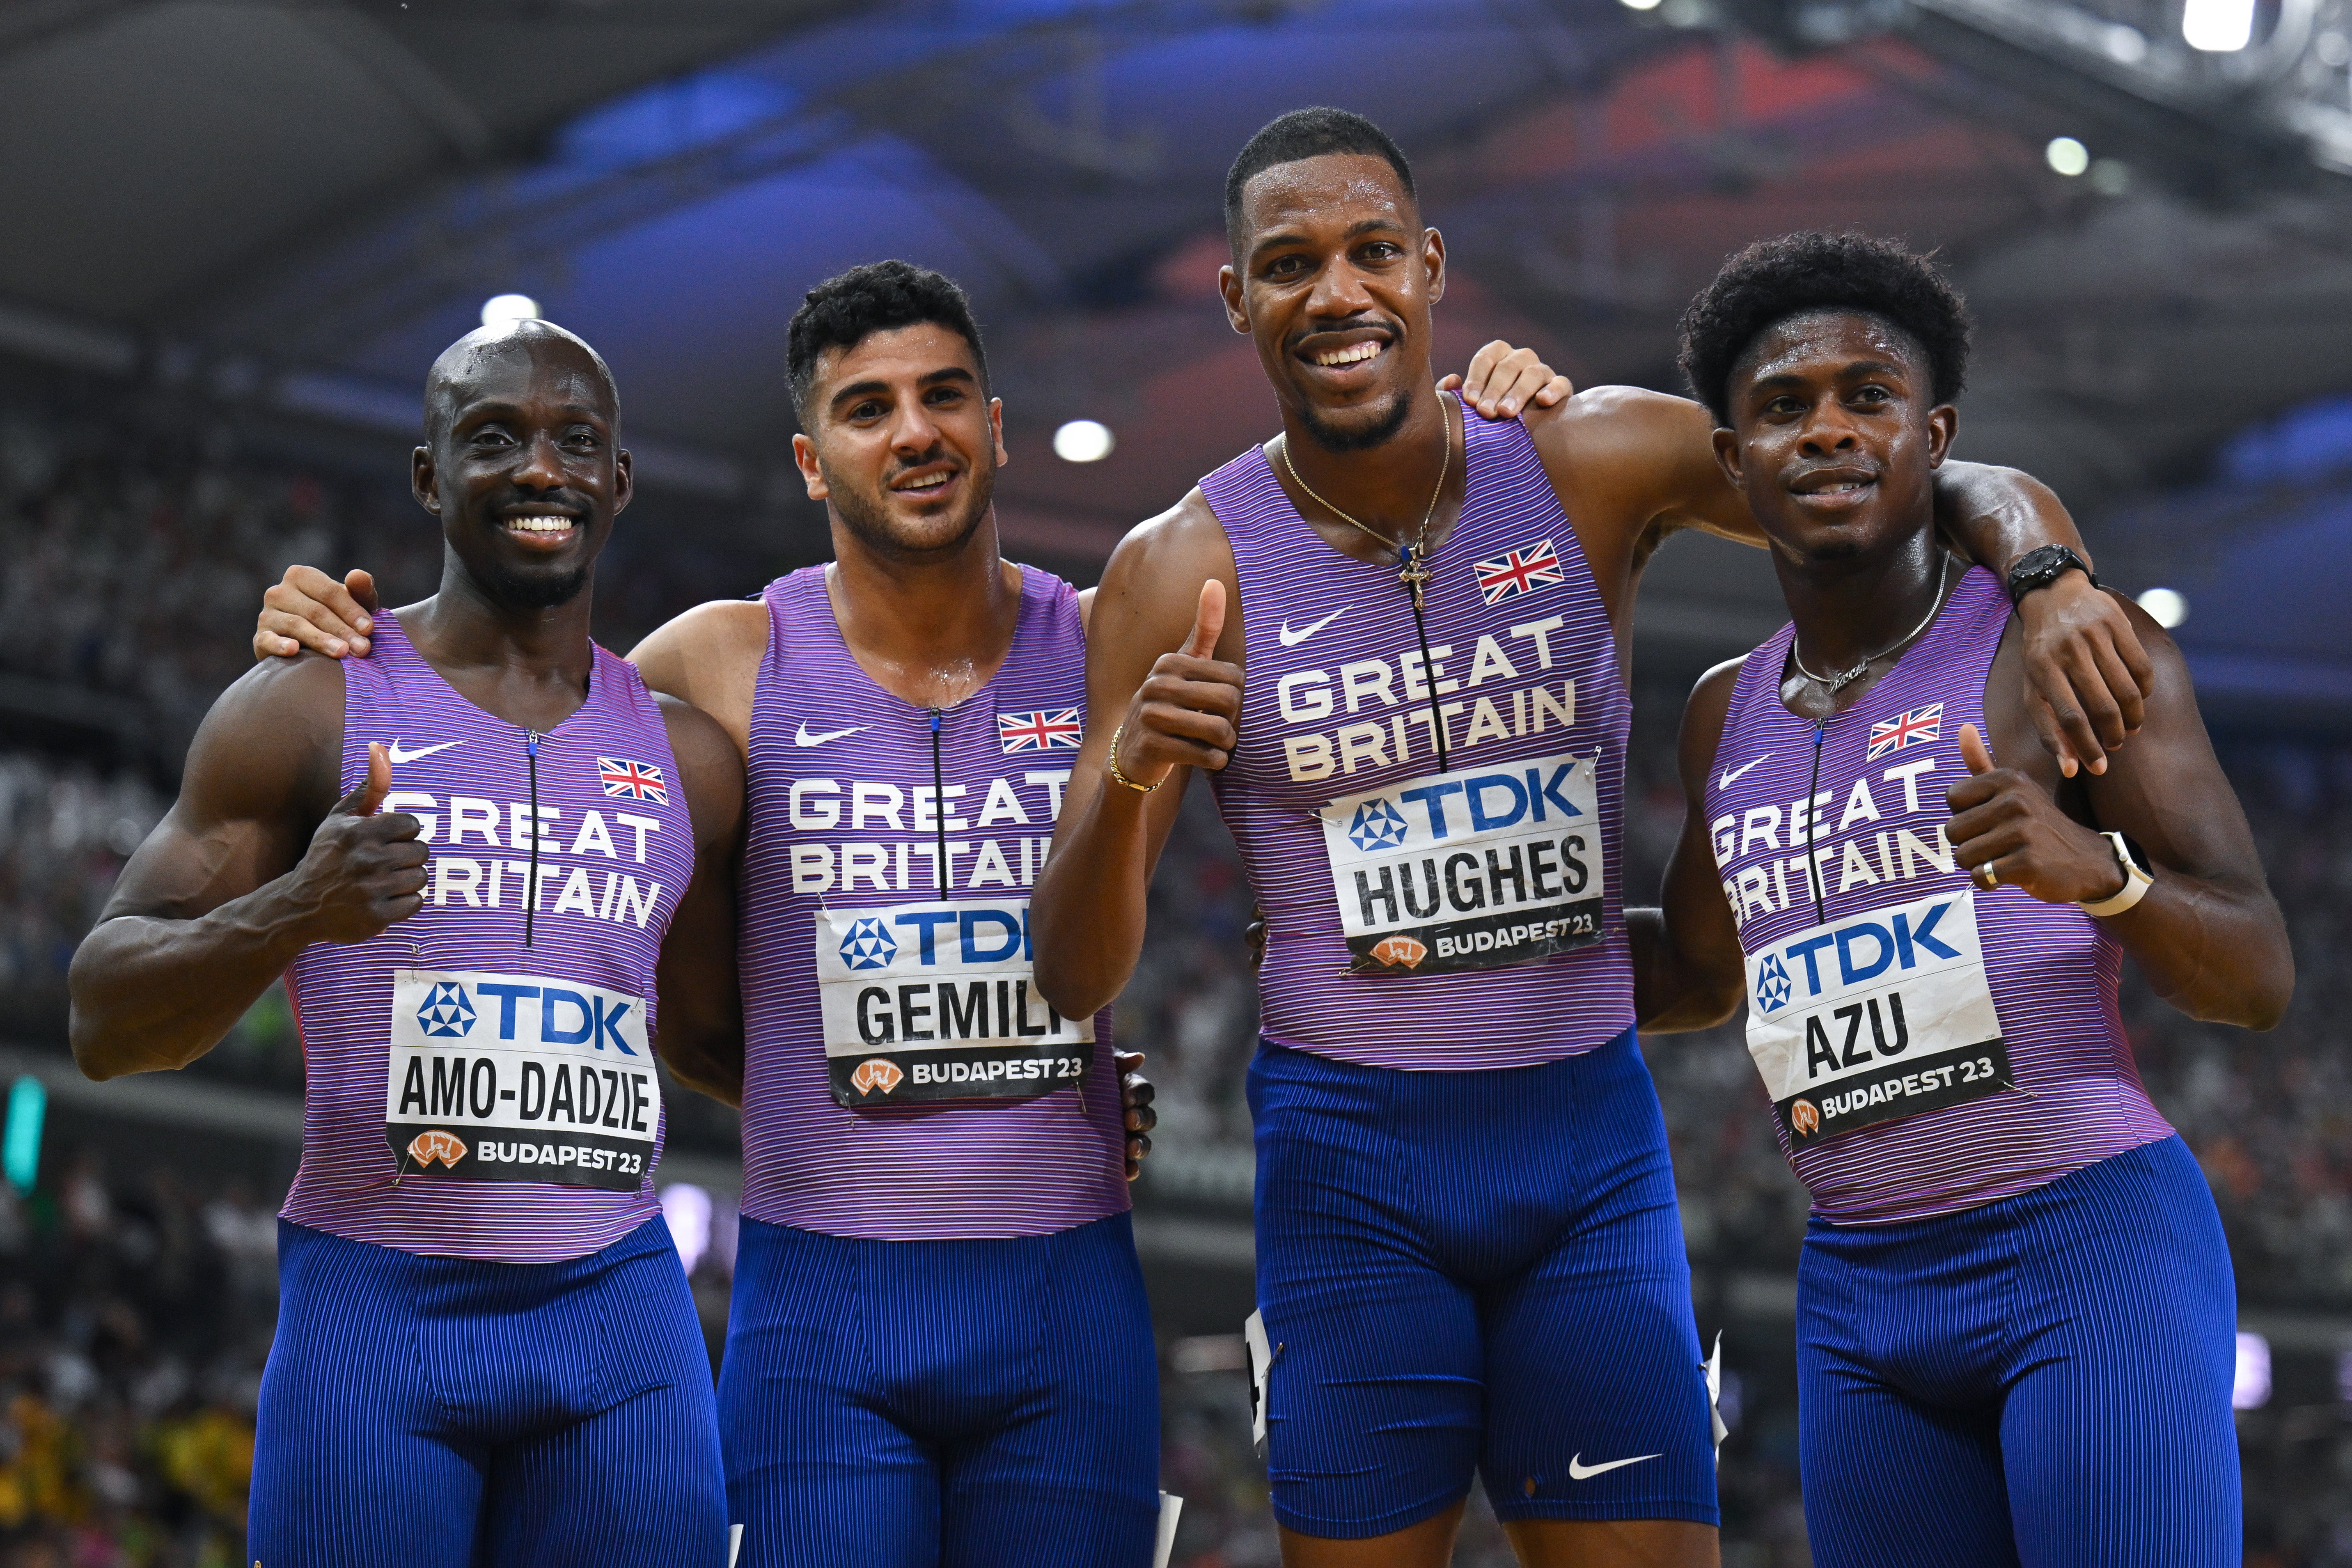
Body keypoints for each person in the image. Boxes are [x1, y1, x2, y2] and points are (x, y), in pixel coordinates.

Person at [239, 262, 1573, 1566]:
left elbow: (1384, 616)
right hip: (821, 1311)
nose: (914, 430)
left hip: (1066, 1312)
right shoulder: (714, 662)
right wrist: (343, 633)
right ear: (813, 461)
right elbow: (533, 749)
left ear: (994, 429)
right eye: (867, 408)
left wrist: (1482, 434)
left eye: (943, 396)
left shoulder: (1118, 631)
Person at [1031, 108, 2157, 1568]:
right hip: (1349, 1169)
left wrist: (2051, 568)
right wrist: (1127, 775)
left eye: (1373, 252)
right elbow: (1070, 971)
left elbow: (1880, 468)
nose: (1339, 293)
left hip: (1587, 1154)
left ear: (1430, 269)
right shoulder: (1176, 565)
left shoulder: (1581, 455)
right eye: (1289, 263)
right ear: (1237, 297)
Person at [1633, 232, 2289, 1568]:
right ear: (1729, 462)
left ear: (1932, 439)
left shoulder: (2070, 652)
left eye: (1865, 398)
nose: (1825, 431)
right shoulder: (1721, 713)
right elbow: (1699, 971)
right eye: (1781, 408)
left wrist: (2094, 874)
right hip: (1857, 1292)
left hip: (2084, 1251)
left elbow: (2255, 972)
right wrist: (1415, 951)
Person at [69, 319, 745, 1566]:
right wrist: (294, 910)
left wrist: (1052, 1102)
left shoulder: (692, 759)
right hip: (378, 1317)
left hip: (620, 1323)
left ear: (618, 480)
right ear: (430, 476)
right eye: (494, 440)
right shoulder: (310, 701)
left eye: (575, 443)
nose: (540, 471)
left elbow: (723, 1042)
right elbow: (102, 1018)